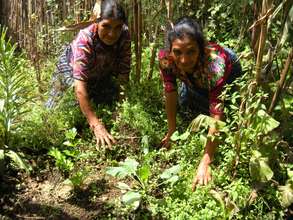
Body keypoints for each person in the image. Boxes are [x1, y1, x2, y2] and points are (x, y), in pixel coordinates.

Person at [158, 17, 242, 190]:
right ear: (170, 51)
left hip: (229, 68)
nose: (183, 59)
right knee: (186, 103)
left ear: (201, 49)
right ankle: (196, 90)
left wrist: (206, 160)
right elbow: (170, 92)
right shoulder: (166, 59)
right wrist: (171, 130)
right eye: (178, 52)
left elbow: (216, 115)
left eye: (191, 51)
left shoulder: (215, 63)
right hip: (198, 76)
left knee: (231, 117)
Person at [46, 0, 131, 148]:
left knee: (105, 99)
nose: (112, 34)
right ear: (97, 22)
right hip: (69, 71)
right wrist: (96, 125)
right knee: (61, 108)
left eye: (117, 27)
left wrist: (121, 111)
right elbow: (79, 86)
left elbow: (123, 75)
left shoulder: (124, 35)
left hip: (100, 71)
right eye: (106, 26)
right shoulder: (85, 38)